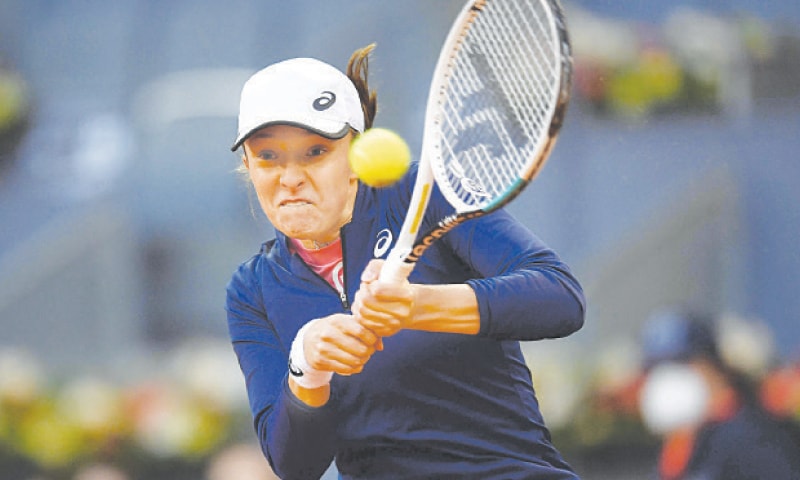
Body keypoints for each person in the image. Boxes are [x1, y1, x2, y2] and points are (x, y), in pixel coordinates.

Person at [225, 44, 586, 479]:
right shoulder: (251, 290)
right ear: (247, 163)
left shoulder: (424, 192)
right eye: (268, 156)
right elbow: (295, 466)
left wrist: (419, 306)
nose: (290, 177)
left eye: (316, 152)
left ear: (356, 155)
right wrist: (307, 367)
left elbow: (560, 297)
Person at [638, 310, 800, 480]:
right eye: (657, 368)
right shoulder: (683, 442)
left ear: (713, 367)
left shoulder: (753, 437)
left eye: (680, 364)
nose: (667, 379)